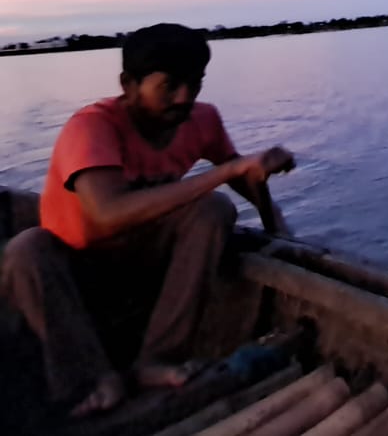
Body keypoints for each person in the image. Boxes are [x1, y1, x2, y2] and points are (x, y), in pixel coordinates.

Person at [0, 23, 296, 419]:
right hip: (74, 271)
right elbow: (107, 213)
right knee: (26, 247)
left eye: (196, 83)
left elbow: (241, 173)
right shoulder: (92, 127)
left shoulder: (202, 120)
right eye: (170, 86)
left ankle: (156, 360)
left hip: (143, 262)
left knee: (214, 210)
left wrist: (273, 221)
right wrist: (225, 173)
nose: (185, 97)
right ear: (128, 84)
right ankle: (92, 378)